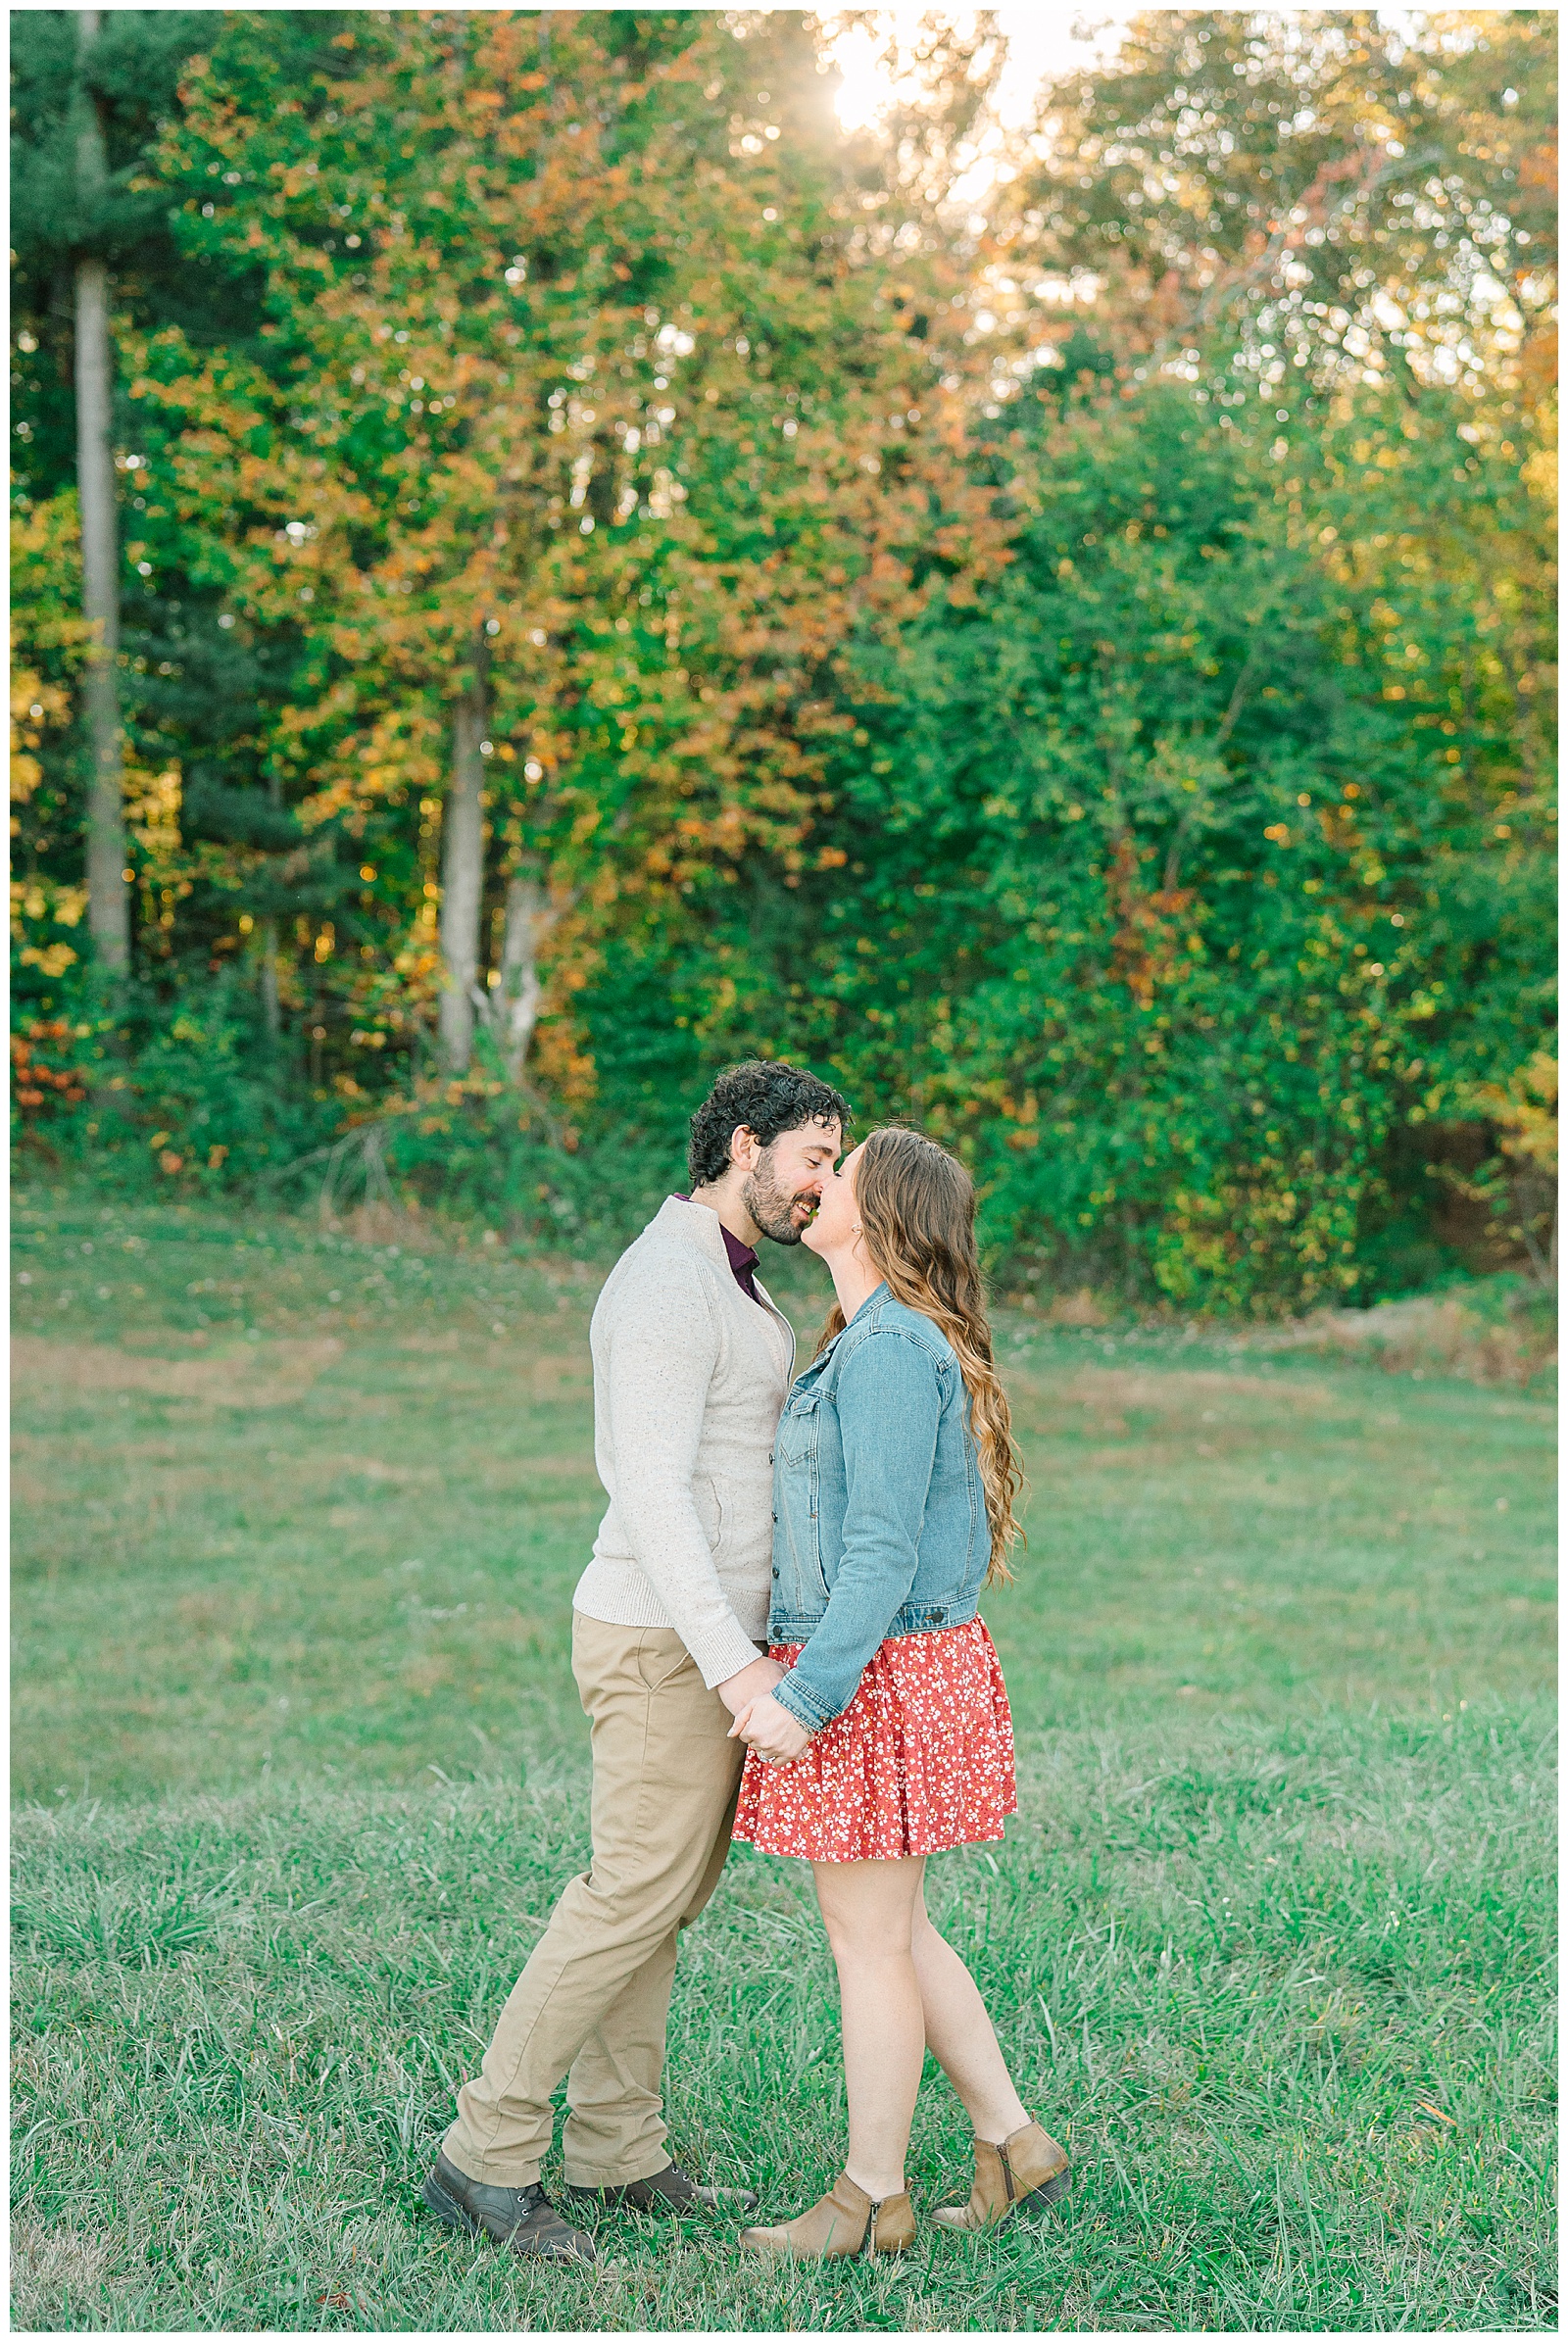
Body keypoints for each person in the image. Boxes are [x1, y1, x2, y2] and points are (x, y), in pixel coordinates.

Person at [424, 1060, 848, 2265]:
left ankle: (617, 2147)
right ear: (746, 1144)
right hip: (666, 1641)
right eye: (814, 1156)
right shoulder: (667, 1280)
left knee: (659, 1899)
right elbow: (650, 1492)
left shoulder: (729, 1273)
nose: (822, 1185)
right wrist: (732, 1669)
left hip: (703, 1639)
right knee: (625, 1898)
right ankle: (483, 2155)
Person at [728, 1125, 1069, 2259]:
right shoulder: (879, 1335)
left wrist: (805, 1694)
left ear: (881, 1216)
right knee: (897, 1925)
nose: (814, 1182)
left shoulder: (883, 1351)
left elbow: (873, 1553)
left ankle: (871, 2197)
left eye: (842, 1172)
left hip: (875, 1671)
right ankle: (1014, 2140)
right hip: (906, 1664)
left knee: (866, 1938)